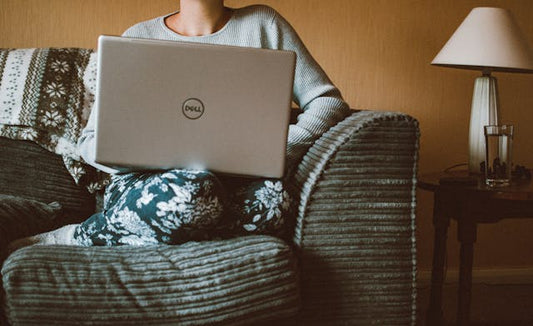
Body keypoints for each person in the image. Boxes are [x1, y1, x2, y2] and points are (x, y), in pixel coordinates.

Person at [8, 0, 350, 250]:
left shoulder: (264, 24)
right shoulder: (138, 37)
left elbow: (328, 101)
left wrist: (279, 147)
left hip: (231, 185)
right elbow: (90, 142)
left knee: (277, 201)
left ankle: (152, 232)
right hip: (148, 187)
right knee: (189, 192)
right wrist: (137, 153)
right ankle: (76, 236)